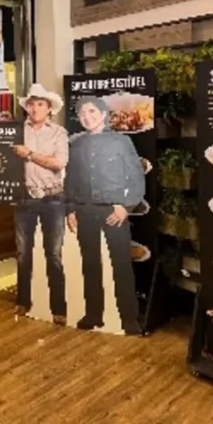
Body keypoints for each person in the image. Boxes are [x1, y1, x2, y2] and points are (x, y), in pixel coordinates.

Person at [65, 96, 146, 334]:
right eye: (82, 113)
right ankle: (93, 314)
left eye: (91, 111)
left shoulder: (121, 141)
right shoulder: (76, 143)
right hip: (85, 210)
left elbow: (136, 177)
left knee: (121, 264)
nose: (87, 116)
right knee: (90, 264)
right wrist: (70, 209)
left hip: (114, 210)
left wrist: (125, 206)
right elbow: (70, 179)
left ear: (102, 114)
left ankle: (129, 319)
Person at [11, 84, 69, 325]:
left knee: (53, 254)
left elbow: (59, 163)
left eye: (40, 104)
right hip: (25, 197)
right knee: (23, 253)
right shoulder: (16, 131)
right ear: (27, 107)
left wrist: (30, 154)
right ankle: (23, 301)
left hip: (53, 198)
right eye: (32, 104)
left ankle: (59, 307)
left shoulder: (59, 133)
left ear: (49, 109)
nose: (35, 108)